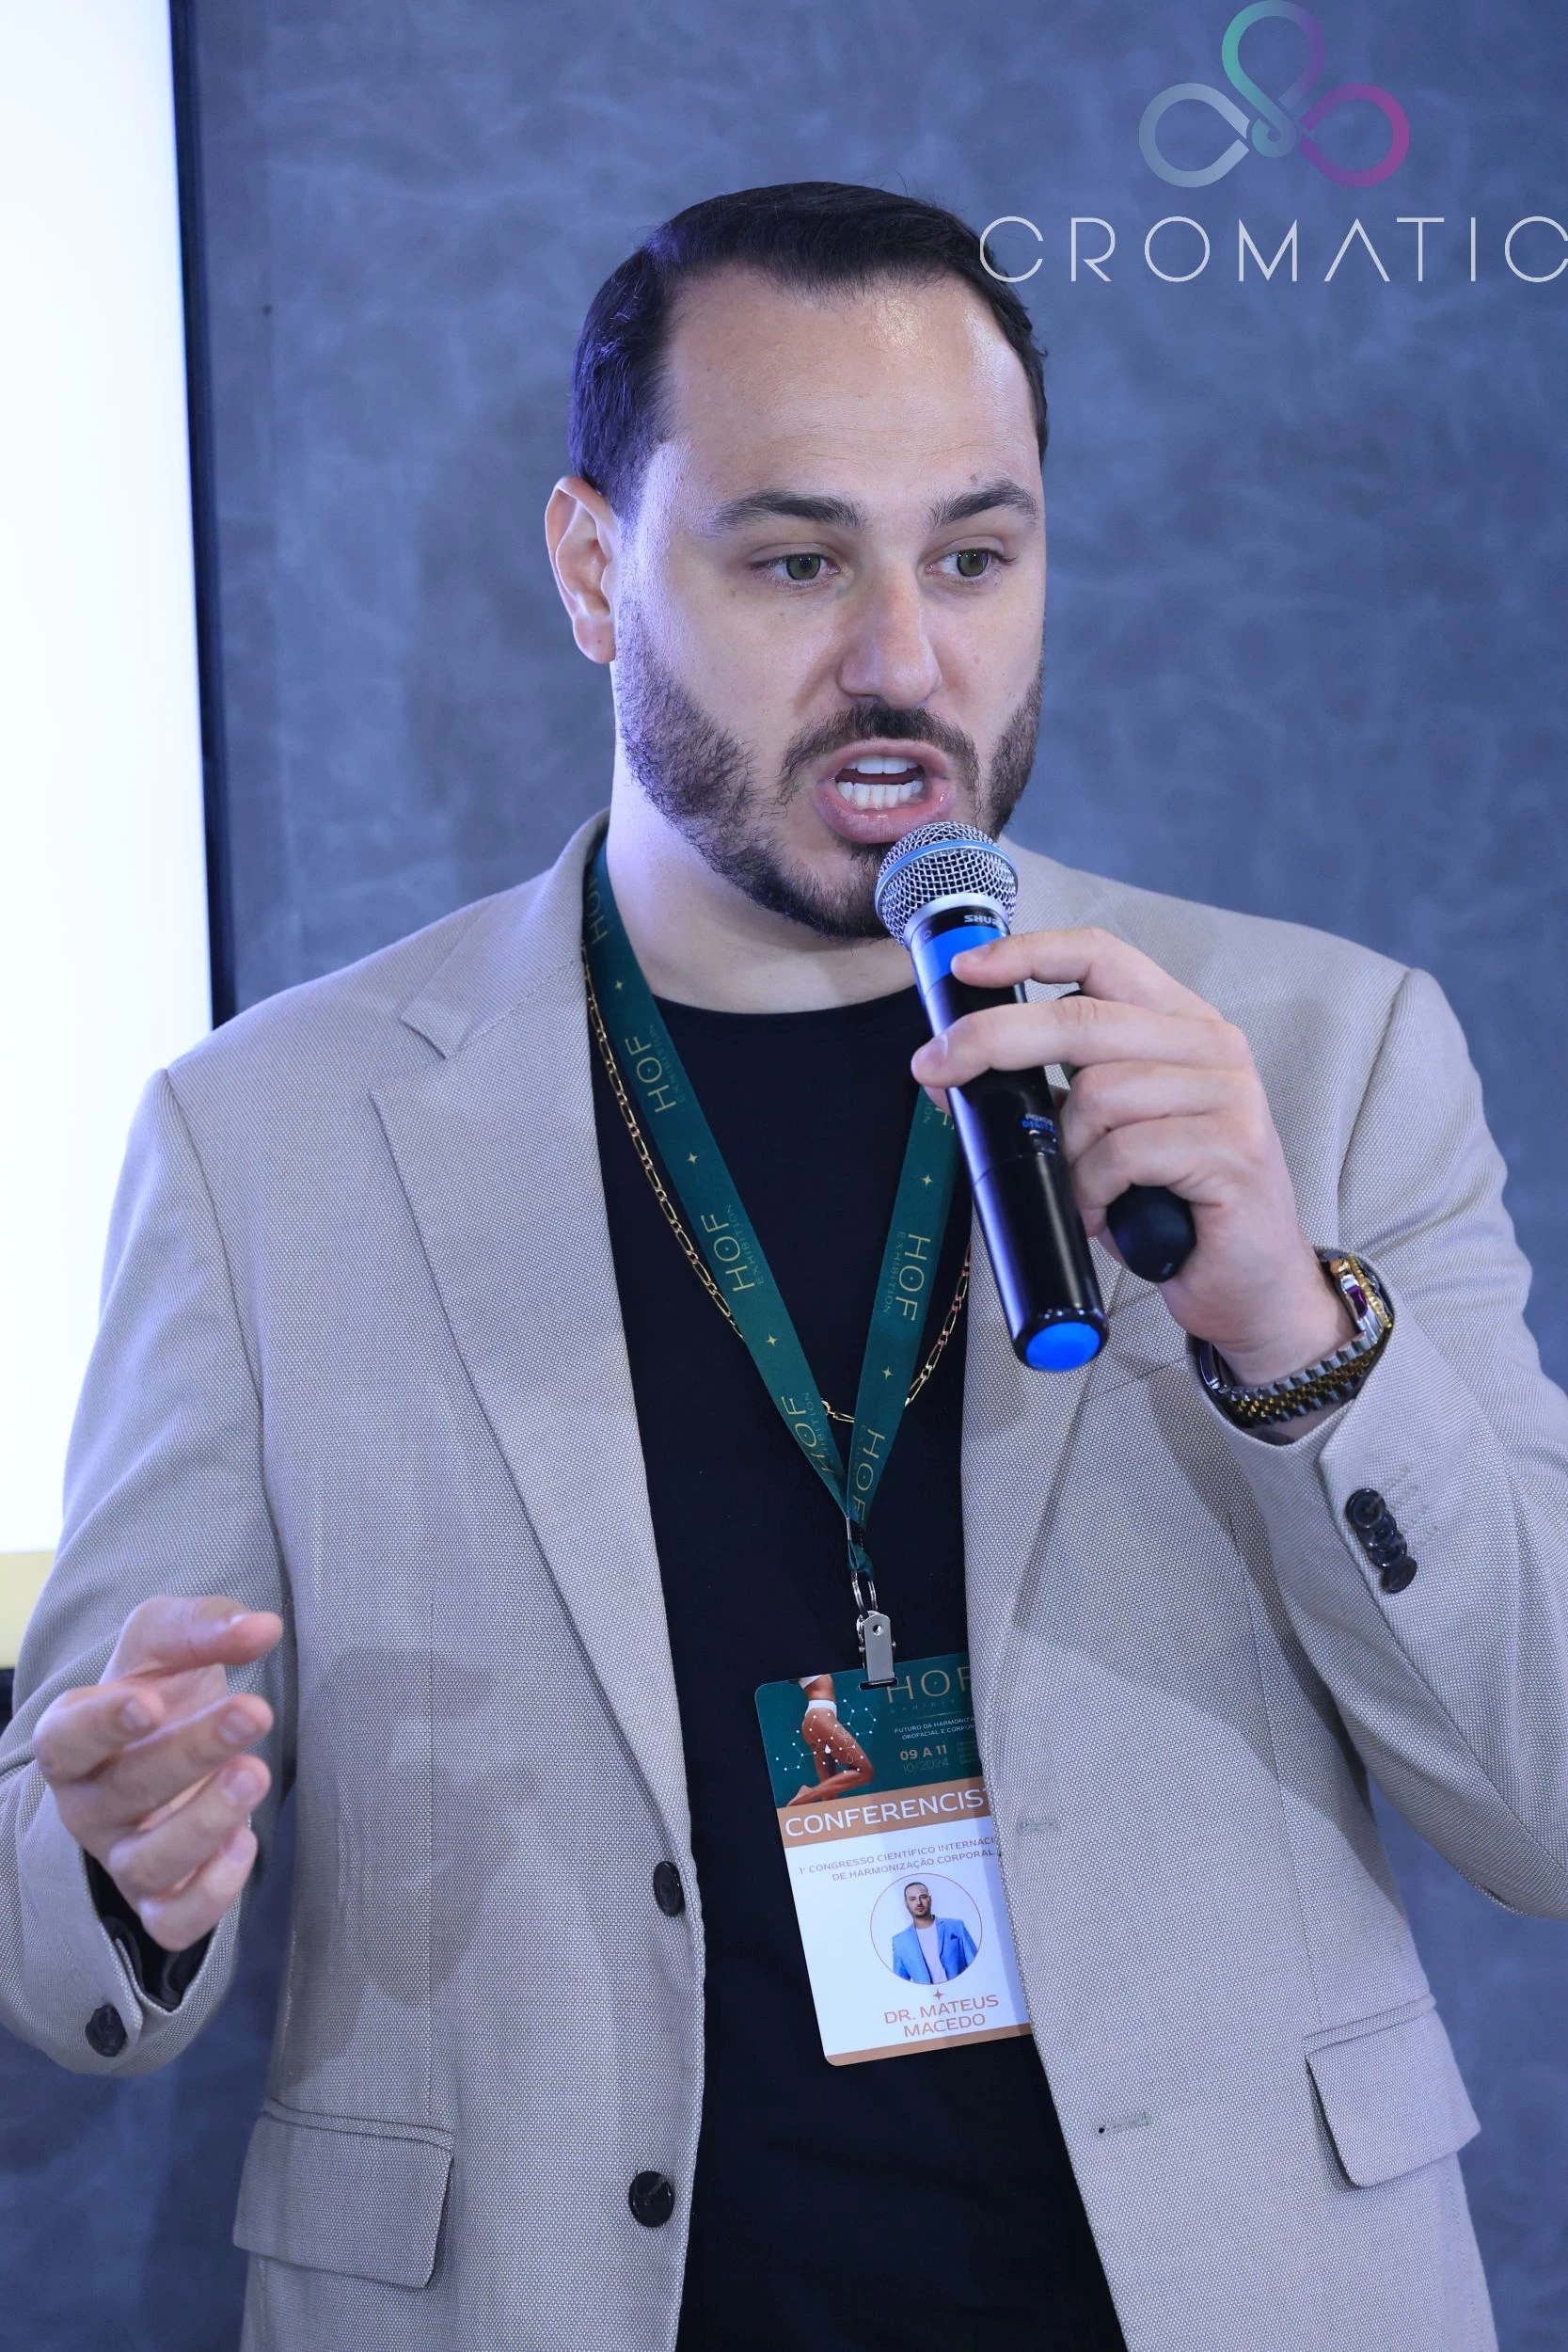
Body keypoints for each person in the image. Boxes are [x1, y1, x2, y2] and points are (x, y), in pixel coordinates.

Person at [1, 179, 1565, 2352]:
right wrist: (115, 1856)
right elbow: (62, 1896)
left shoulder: (1318, 1052)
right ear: (590, 569)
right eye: (798, 560)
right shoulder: (267, 1136)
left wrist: (1292, 1335)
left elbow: (1544, 1800)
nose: (903, 660)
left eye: (974, 557)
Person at [785, 1670, 875, 1805]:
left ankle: (814, 1800)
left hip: (815, 1720)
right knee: (865, 1771)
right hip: (820, 1716)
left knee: (830, 1797)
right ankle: (808, 1794)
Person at [891, 1881, 976, 1984]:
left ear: (930, 1899)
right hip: (928, 1994)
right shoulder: (900, 1942)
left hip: (963, 1990)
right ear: (906, 1904)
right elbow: (901, 1984)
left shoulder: (956, 1926)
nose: (919, 1903)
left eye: (923, 1897)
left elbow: (976, 1965)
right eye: (913, 1899)